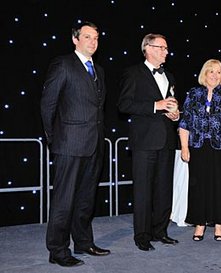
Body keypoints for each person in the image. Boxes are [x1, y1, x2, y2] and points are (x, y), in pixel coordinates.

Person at [40, 21, 110, 267]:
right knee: (64, 200)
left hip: (93, 146)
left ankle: (83, 242)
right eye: (88, 37)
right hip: (68, 144)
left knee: (85, 199)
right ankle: (58, 250)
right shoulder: (63, 64)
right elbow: (48, 105)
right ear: (75, 39)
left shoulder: (98, 70)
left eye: (96, 38)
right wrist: (54, 138)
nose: (93, 42)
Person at [118, 33, 180, 251]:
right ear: (149, 48)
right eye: (162, 47)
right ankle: (142, 236)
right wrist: (156, 105)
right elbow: (124, 104)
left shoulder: (170, 76)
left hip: (167, 140)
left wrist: (175, 115)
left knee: (164, 189)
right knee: (143, 190)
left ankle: (160, 231)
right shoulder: (133, 73)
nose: (166, 51)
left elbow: (170, 105)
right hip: (144, 141)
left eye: (166, 48)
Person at [178, 59, 221, 242]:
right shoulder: (193, 93)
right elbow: (185, 122)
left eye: (219, 72)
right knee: (198, 186)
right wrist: (184, 146)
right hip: (198, 146)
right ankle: (200, 223)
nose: (215, 75)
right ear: (204, 73)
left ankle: (220, 223)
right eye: (211, 71)